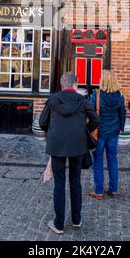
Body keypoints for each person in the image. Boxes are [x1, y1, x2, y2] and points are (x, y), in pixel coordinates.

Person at [39, 71, 99, 234]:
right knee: (75, 180)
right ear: (75, 85)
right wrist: (84, 130)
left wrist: (53, 132)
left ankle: (58, 224)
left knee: (59, 182)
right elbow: (95, 120)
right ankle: (76, 219)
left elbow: (41, 122)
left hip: (57, 144)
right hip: (77, 144)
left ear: (61, 84)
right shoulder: (83, 100)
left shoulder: (52, 100)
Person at [89, 70, 126, 200]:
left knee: (98, 161)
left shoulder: (96, 94)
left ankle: (99, 191)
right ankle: (113, 189)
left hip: (99, 133)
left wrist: (89, 129)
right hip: (113, 132)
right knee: (113, 160)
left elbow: (91, 113)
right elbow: (122, 113)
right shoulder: (119, 95)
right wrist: (120, 128)